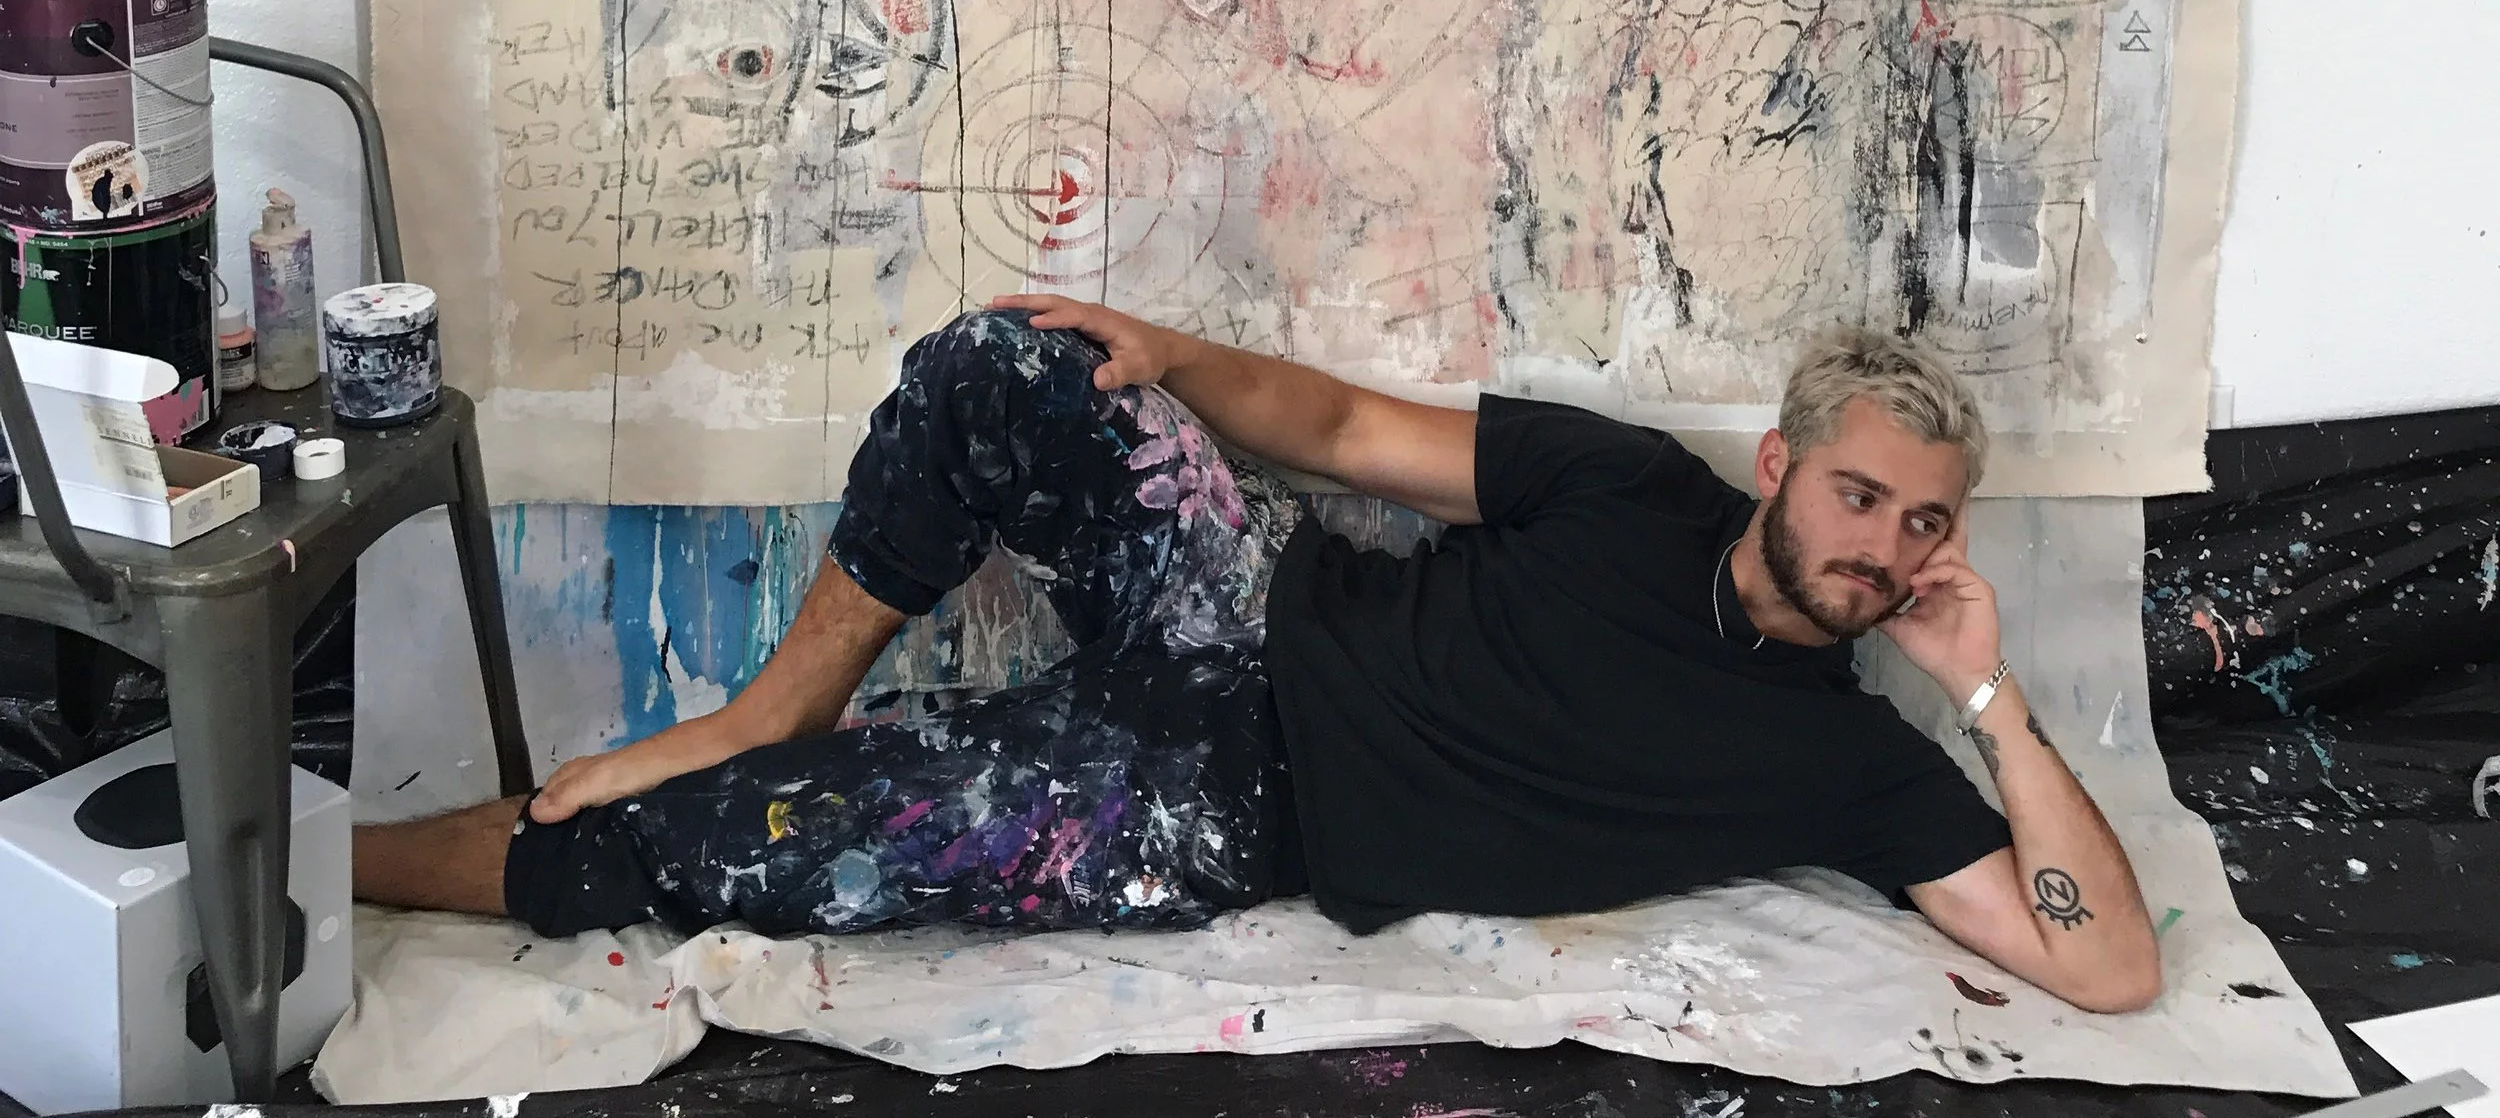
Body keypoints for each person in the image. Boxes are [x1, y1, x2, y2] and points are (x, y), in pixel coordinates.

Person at [355, 301, 2161, 1013]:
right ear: (1781, 464)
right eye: (1859, 496)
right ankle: (775, 697)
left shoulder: (1855, 761)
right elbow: (1350, 429)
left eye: (1922, 526)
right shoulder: (1632, 488)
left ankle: (319, 873)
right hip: (1243, 596)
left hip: (1220, 803)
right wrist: (1166, 354)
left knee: (749, 847)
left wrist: (1985, 694)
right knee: (1009, 361)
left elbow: (2106, 967)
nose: (1880, 550)